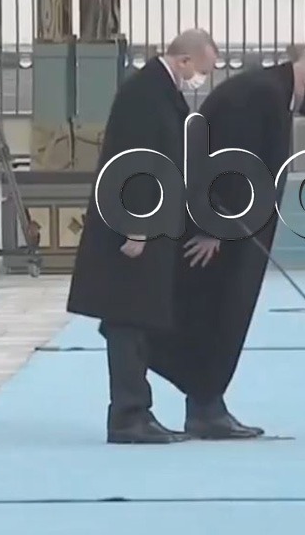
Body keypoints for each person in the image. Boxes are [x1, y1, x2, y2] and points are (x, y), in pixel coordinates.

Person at [150, 48, 305, 438]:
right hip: (220, 231)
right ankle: (204, 406)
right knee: (212, 314)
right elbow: (224, 162)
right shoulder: (259, 94)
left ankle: (208, 402)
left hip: (238, 229)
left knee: (222, 317)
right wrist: (213, 226)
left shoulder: (271, 92)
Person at [66, 29, 219, 444]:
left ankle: (136, 409)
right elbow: (132, 160)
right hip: (134, 230)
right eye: (201, 71)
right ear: (183, 60)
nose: (200, 80)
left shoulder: (160, 89)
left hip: (152, 225)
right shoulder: (144, 93)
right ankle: (129, 415)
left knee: (135, 321)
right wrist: (135, 222)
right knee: (127, 321)